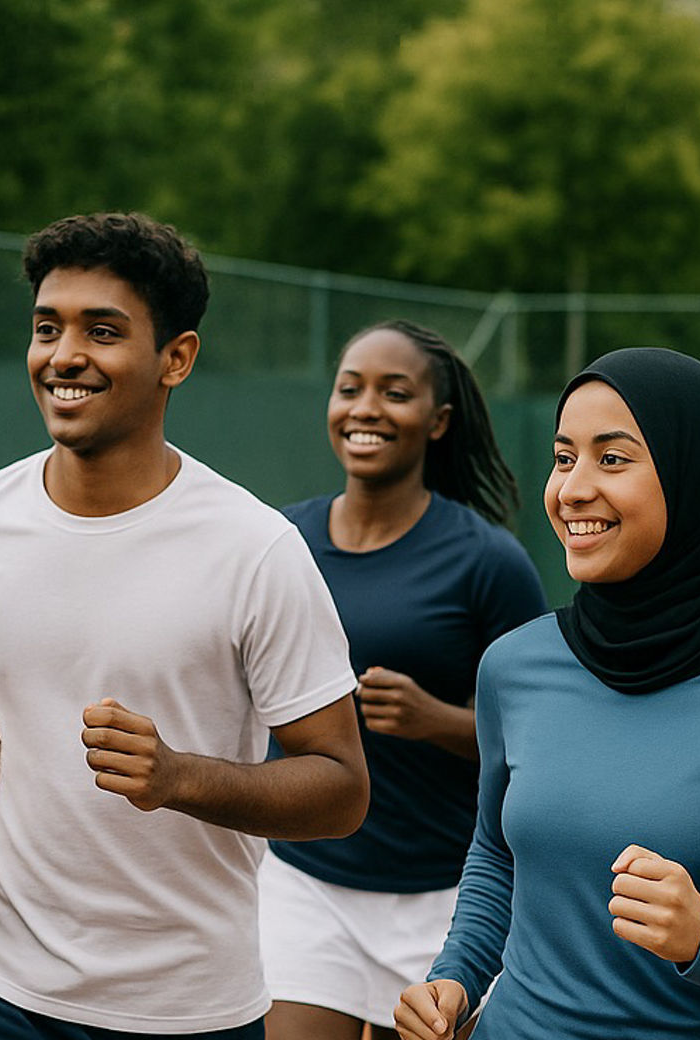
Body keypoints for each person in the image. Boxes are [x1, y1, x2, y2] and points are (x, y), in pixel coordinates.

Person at [0, 212, 369, 1039]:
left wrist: (178, 777)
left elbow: (341, 788)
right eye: (47, 328)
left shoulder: (256, 549)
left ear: (178, 358)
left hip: (188, 1008)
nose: (64, 356)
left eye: (102, 331)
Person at [395, 347, 700, 1040]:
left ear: (695, 478)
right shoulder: (514, 664)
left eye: (613, 459)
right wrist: (456, 974)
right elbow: (498, 855)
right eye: (564, 457)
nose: (571, 489)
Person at [259, 320, 546, 1040]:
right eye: (349, 388)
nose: (365, 408)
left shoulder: (489, 562)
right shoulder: (280, 545)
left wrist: (438, 719)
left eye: (395, 392)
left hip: (441, 901)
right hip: (302, 884)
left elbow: (545, 740)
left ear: (438, 420)